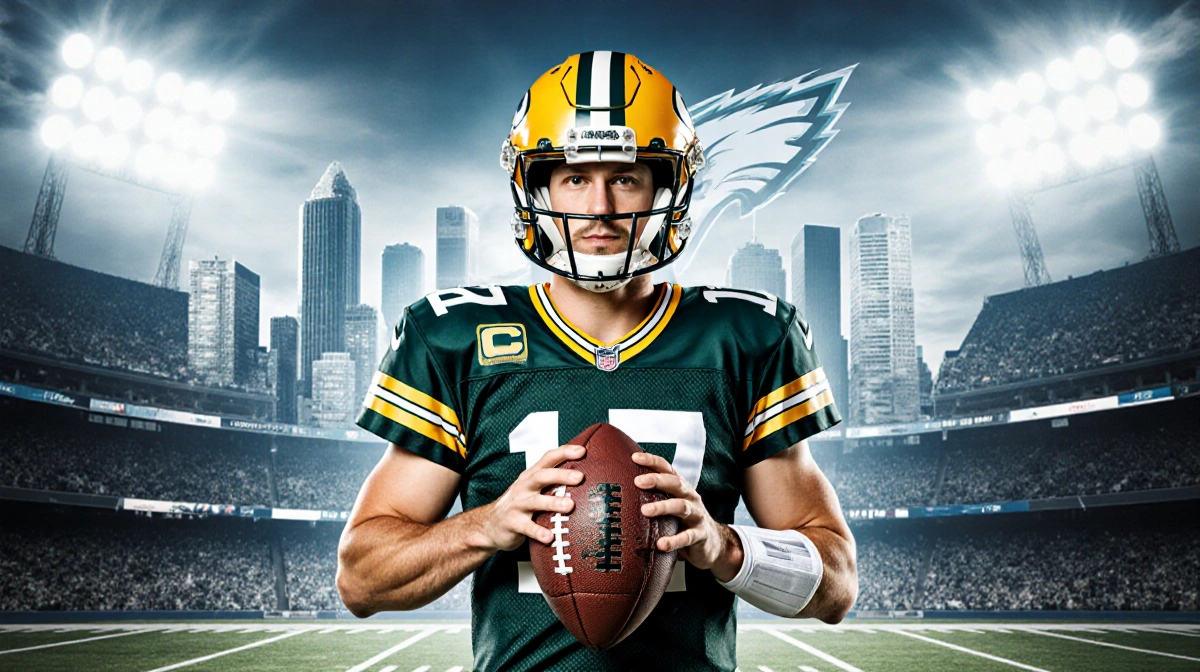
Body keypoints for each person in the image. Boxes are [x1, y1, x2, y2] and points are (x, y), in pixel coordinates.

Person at [337, 51, 856, 671]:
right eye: (575, 178)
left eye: (627, 177)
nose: (601, 209)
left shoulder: (746, 336)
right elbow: (362, 579)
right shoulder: (451, 336)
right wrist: (487, 525)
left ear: (668, 188)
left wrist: (726, 547)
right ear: (537, 188)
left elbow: (837, 586)